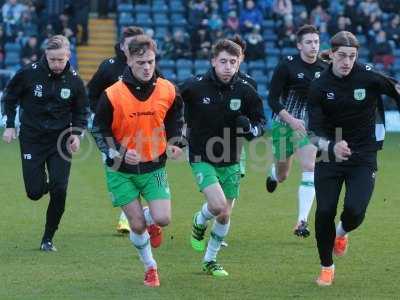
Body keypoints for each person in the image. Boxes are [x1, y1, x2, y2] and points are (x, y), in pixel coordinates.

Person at [307, 31, 400, 286]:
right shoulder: (319, 85)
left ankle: (342, 232)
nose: (347, 62)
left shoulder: (368, 75)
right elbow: (312, 131)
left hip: (363, 155)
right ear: (332, 55)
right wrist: (331, 146)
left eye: (352, 56)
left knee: (355, 210)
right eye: (342, 56)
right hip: (328, 154)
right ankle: (326, 266)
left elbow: (395, 89)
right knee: (325, 210)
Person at [93, 34, 183, 287]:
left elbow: (176, 114)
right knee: (137, 225)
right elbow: (99, 129)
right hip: (120, 169)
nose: (147, 67)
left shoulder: (167, 88)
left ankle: (150, 217)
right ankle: (151, 267)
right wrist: (119, 150)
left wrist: (176, 141)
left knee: (162, 218)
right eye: (141, 62)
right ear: (129, 60)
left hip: (154, 165)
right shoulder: (112, 94)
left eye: (151, 62)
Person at [181, 39, 265, 276]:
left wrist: (251, 129)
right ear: (213, 61)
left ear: (239, 63)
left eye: (233, 62)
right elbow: (170, 101)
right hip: (201, 155)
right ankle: (200, 218)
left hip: (232, 157)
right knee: (217, 206)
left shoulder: (246, 89)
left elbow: (260, 122)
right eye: (223, 62)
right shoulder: (194, 86)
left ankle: (210, 260)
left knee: (225, 214)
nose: (228, 67)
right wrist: (178, 134)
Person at [1, 35, 89, 251]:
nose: (57, 64)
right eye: (53, 60)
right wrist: (10, 124)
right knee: (34, 192)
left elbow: (81, 110)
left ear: (68, 55)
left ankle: (48, 238)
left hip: (59, 141)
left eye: (61, 59)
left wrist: (76, 133)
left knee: (60, 189)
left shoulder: (75, 80)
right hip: (32, 139)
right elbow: (10, 96)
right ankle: (45, 183)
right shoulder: (28, 73)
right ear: (46, 56)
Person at [88, 26, 163, 237]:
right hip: (113, 134)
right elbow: (92, 93)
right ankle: (129, 216)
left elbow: (163, 90)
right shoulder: (109, 67)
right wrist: (101, 114)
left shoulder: (149, 67)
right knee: (118, 168)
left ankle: (147, 215)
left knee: (144, 168)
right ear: (123, 47)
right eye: (131, 46)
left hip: (142, 131)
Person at [265, 25, 327, 237]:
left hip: (308, 127)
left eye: (316, 42)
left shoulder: (324, 68)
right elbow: (272, 100)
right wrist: (291, 120)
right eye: (309, 42)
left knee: (310, 167)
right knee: (283, 175)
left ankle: (301, 221)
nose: (313, 46)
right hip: (283, 125)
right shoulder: (287, 66)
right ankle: (273, 173)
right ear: (299, 45)